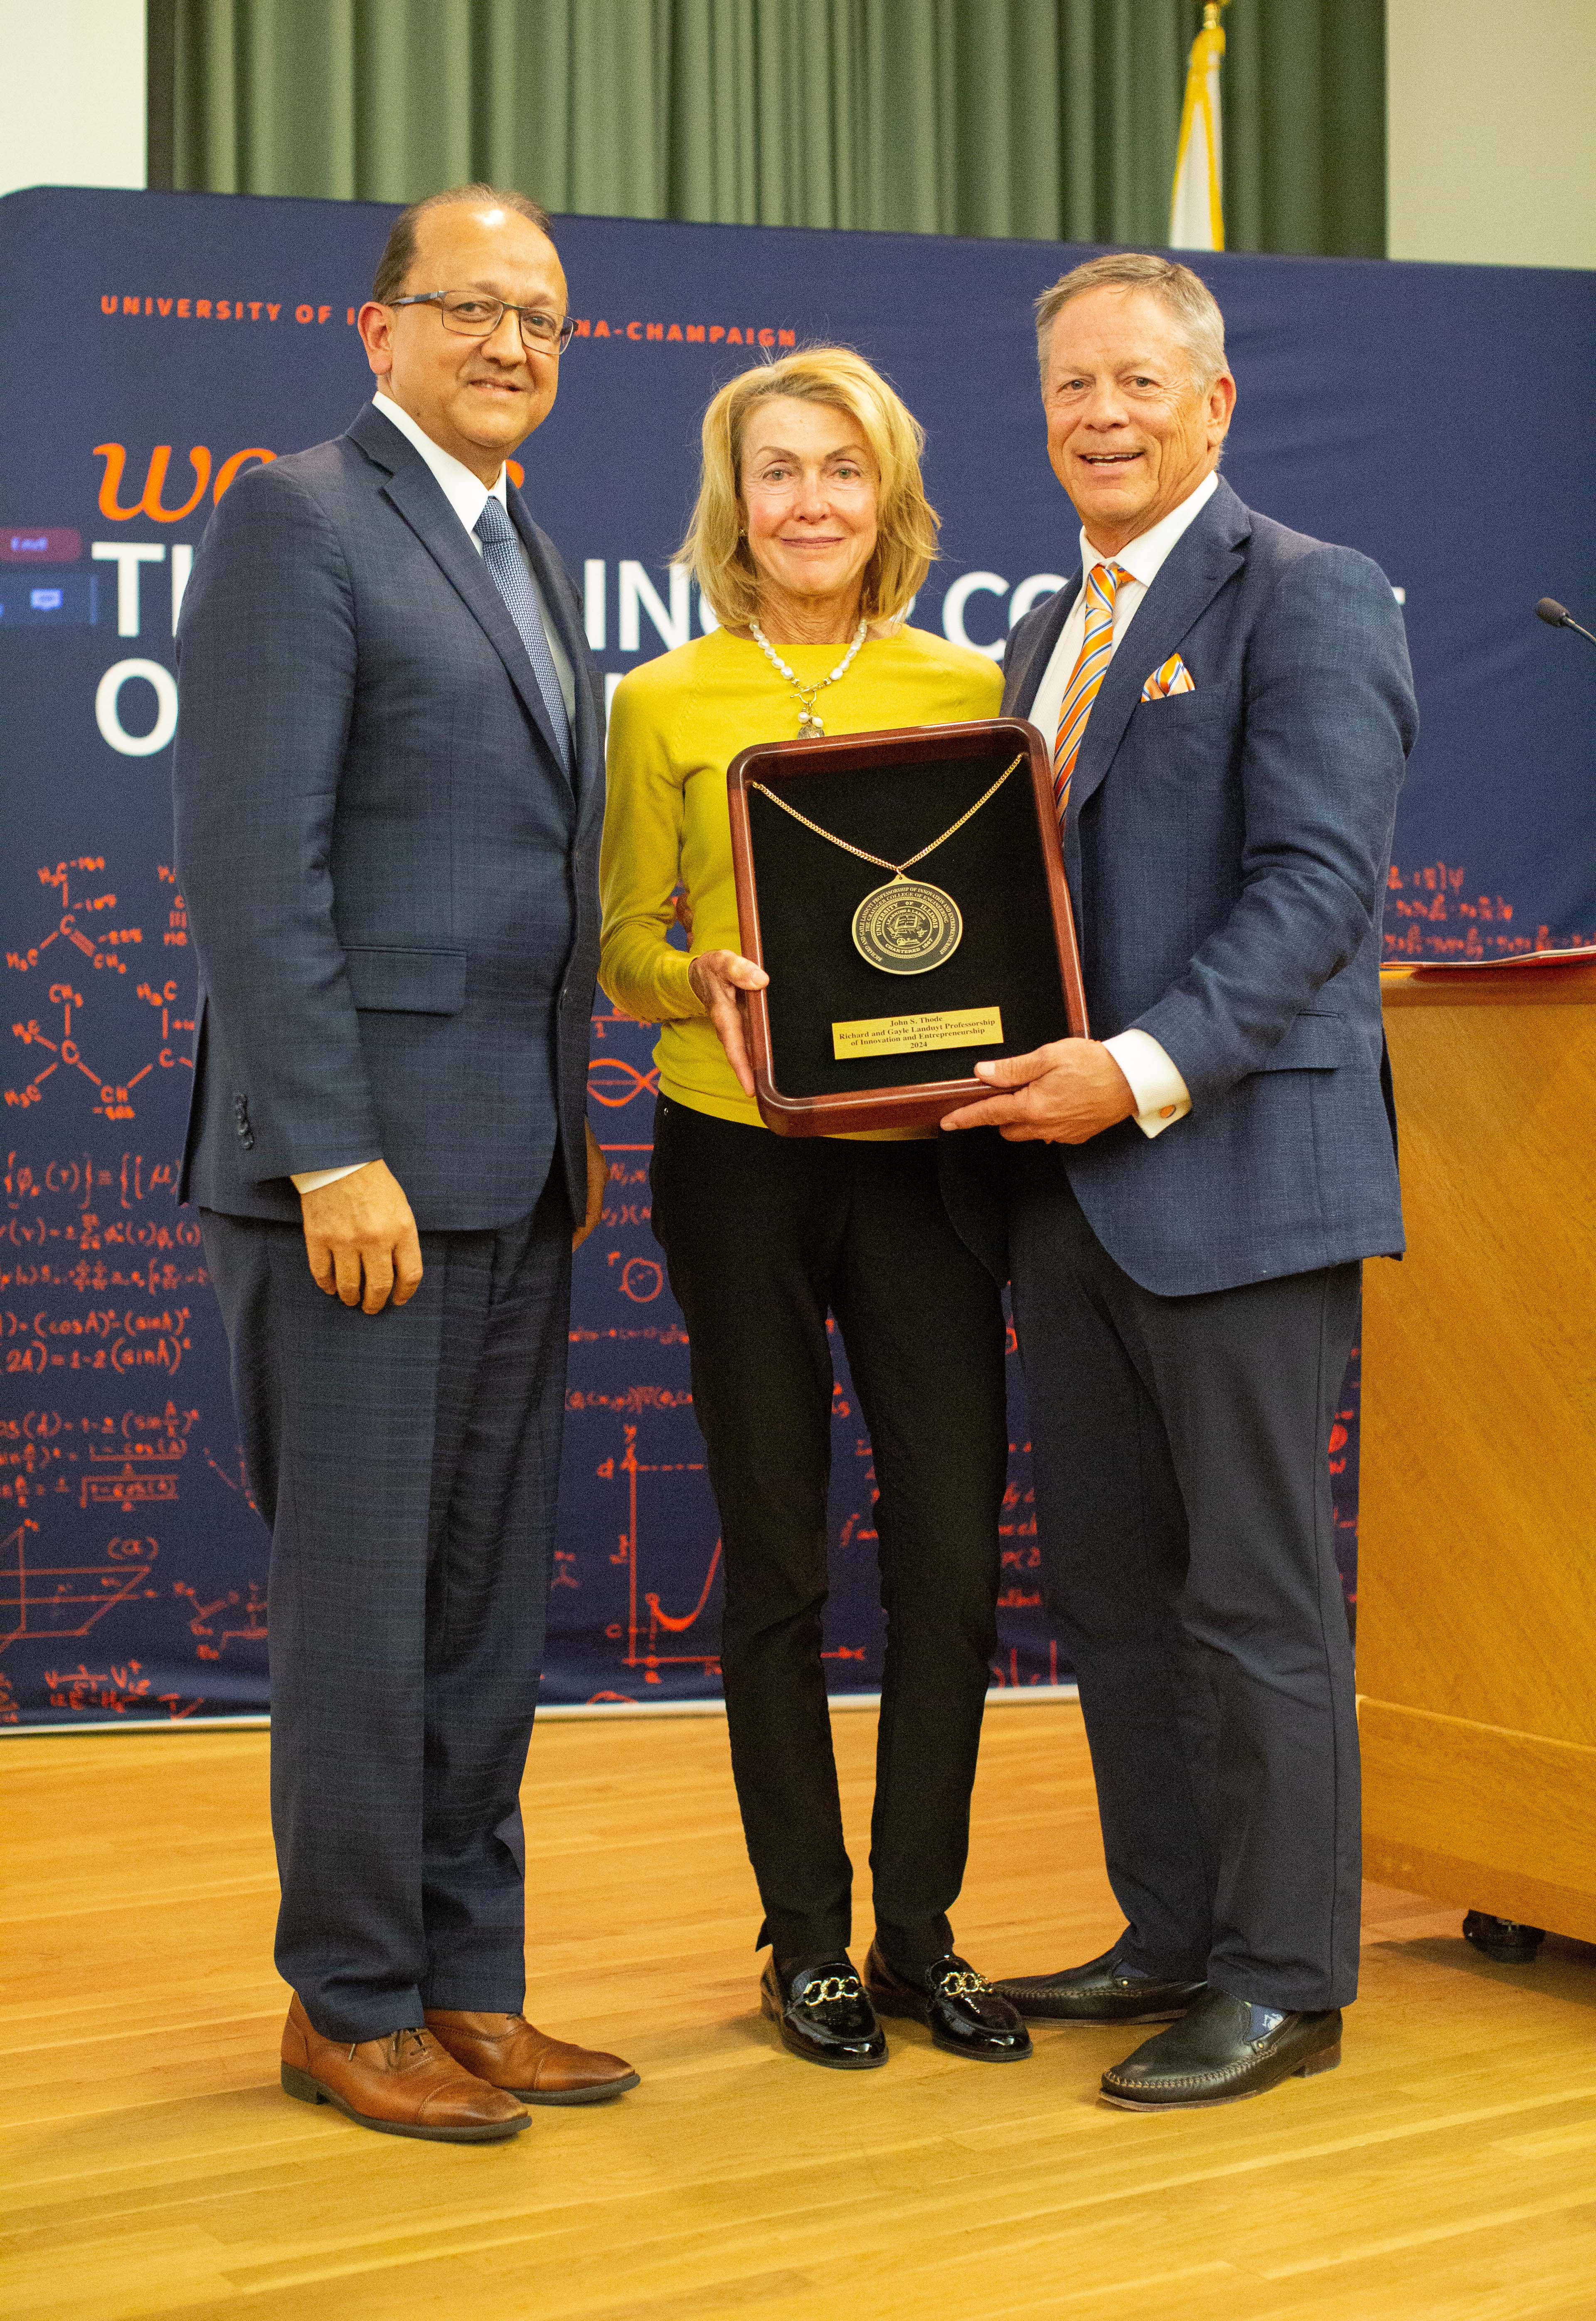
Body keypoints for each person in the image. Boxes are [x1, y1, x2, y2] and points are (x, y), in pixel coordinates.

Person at [173, 184, 637, 2142]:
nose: (513, 343)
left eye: (541, 315)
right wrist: (331, 1153)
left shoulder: (527, 543)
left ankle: (472, 1983)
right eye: (471, 308)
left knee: (475, 1602)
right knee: (363, 1610)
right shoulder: (296, 517)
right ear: (379, 332)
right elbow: (250, 870)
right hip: (357, 1182)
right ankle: (345, 1996)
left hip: (515, 1170)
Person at [942, 254, 1416, 2109]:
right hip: (1066, 1200)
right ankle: (1173, 1930)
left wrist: (1130, 1075)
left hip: (1233, 1181)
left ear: (1215, 405)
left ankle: (1291, 1977)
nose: (1102, 415)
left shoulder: (1311, 595)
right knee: (1123, 1596)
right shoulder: (1041, 634)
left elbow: (1317, 892)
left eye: (1139, 381)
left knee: (1257, 1600)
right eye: (1072, 387)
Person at [600, 348, 1030, 2071]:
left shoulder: (967, 679)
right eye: (777, 474)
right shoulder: (661, 703)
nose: (809, 505)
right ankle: (806, 1942)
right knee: (776, 1563)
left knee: (947, 1559)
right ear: (734, 503)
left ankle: (919, 1934)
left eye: (841, 474)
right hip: (739, 1158)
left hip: (930, 1167)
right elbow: (622, 941)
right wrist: (689, 975)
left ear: (890, 498)